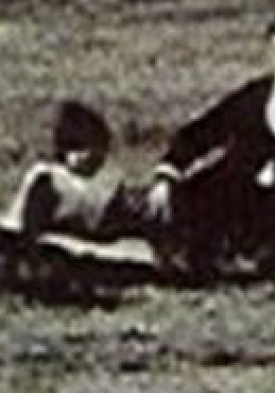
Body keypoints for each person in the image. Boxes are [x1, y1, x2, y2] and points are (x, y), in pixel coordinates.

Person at [148, 8, 275, 281]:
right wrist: (168, 174)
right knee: (176, 209)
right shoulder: (253, 96)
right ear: (271, 54)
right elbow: (203, 131)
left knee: (274, 264)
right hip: (235, 195)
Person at [0, 100, 160, 290]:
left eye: (101, 154)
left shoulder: (87, 180)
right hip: (32, 237)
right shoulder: (48, 178)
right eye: (91, 153)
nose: (97, 160)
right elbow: (29, 223)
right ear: (68, 151)